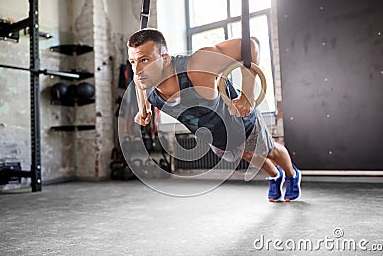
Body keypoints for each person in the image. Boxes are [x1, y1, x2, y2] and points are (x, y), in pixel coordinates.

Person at [127, 28, 301, 202]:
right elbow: (137, 83)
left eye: (144, 60)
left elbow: (251, 44)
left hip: (241, 122)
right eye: (133, 62)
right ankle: (275, 176)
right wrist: (144, 109)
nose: (137, 70)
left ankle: (292, 175)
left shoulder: (197, 66)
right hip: (216, 138)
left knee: (269, 151)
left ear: (164, 59)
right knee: (247, 154)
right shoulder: (144, 80)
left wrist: (248, 94)